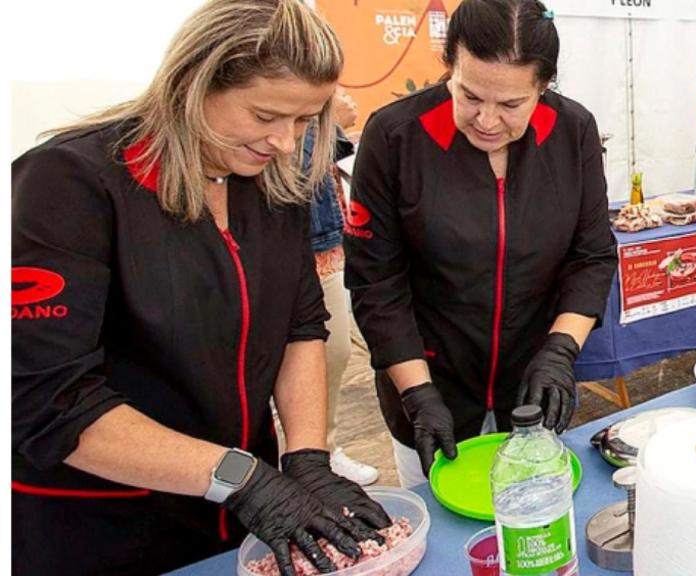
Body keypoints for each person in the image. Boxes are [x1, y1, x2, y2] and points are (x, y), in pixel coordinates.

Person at [12, 1, 390, 574]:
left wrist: (306, 457)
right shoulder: (70, 184)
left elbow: (300, 328)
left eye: (304, 120)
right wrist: (244, 480)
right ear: (193, 83)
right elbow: (52, 404)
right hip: (108, 522)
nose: (286, 143)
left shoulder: (267, 183)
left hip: (233, 516)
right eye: (265, 116)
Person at [344, 0, 618, 488]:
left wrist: (560, 350)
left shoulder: (573, 132)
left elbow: (591, 255)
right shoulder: (394, 138)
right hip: (429, 386)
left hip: (533, 387)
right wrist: (417, 395)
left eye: (511, 104)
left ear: (543, 86)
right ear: (449, 64)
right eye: (469, 95)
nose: (487, 120)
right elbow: (376, 282)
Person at [304, 89, 380, 485]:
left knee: (331, 353)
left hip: (325, 246)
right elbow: (299, 167)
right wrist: (330, 125)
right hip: (297, 246)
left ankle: (324, 451)